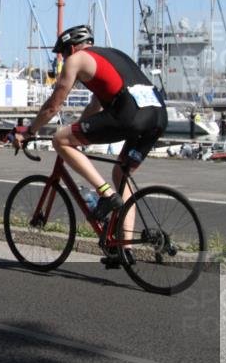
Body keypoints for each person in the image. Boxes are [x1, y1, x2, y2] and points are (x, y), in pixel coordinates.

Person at [11, 25, 168, 267]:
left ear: (71, 47)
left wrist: (29, 132)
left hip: (130, 114)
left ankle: (105, 194)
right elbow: (97, 104)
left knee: (59, 140)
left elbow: (54, 105)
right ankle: (123, 250)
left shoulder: (76, 60)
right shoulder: (113, 55)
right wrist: (81, 129)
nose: (63, 59)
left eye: (63, 53)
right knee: (121, 174)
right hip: (158, 116)